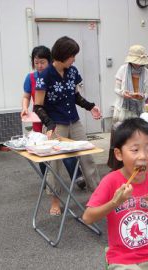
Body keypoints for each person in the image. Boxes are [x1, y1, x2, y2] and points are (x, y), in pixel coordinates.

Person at [83, 118, 148, 269]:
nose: (143, 156)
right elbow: (87, 218)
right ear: (119, 154)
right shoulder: (111, 181)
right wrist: (114, 202)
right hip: (122, 257)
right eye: (135, 150)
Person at [33, 36, 102, 216]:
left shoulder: (72, 71)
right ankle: (55, 201)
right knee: (54, 164)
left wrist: (91, 106)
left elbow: (75, 96)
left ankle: (98, 196)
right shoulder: (44, 76)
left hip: (74, 120)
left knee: (87, 156)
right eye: (72, 55)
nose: (74, 59)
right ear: (63, 55)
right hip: (55, 125)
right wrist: (49, 124)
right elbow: (38, 106)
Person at [20, 45, 86, 191]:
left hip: (57, 119)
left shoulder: (58, 74)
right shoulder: (31, 78)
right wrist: (25, 107)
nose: (39, 66)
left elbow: (73, 95)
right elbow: (26, 96)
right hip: (39, 119)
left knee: (65, 150)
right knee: (44, 154)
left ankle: (78, 176)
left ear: (49, 61)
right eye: (36, 63)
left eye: (42, 62)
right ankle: (48, 180)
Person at [107, 45, 148, 170]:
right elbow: (116, 88)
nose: (138, 65)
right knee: (119, 135)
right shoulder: (123, 69)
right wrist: (123, 93)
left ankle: (132, 165)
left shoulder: (146, 72)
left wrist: (142, 95)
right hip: (123, 108)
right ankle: (116, 167)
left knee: (134, 137)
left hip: (138, 108)